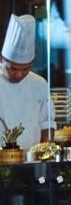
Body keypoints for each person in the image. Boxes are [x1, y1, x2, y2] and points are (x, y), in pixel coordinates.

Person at [0, 14, 54, 149]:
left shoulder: (39, 84)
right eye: (13, 68)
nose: (19, 74)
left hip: (32, 159)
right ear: (1, 59)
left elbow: (47, 124)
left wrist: (45, 156)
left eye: (26, 69)